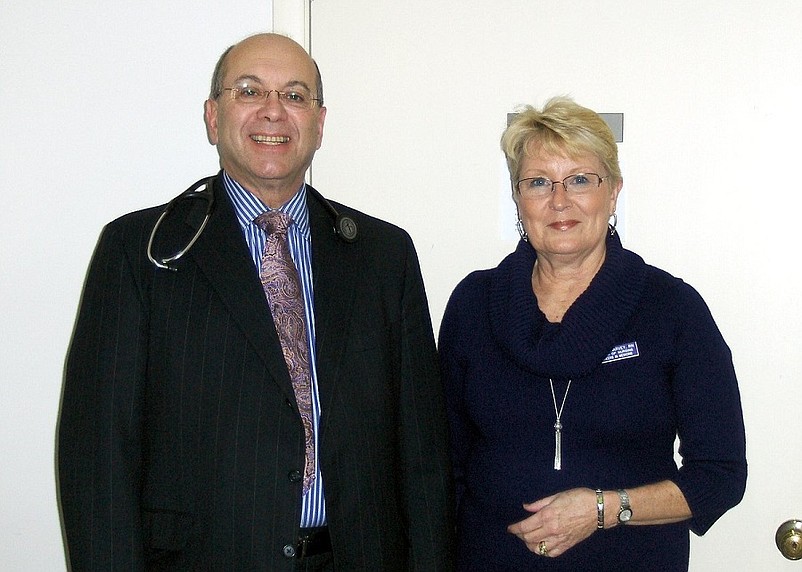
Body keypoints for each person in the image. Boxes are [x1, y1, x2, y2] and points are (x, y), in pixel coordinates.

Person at [57, 32, 454, 571]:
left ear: (319, 122)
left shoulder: (384, 256)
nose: (273, 112)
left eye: (294, 96)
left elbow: (424, 455)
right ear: (213, 117)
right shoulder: (141, 252)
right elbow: (97, 458)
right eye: (249, 92)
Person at [437, 96, 747, 571]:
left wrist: (604, 509)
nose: (560, 200)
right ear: (518, 197)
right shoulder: (474, 305)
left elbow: (720, 475)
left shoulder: (671, 309)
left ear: (614, 190)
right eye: (539, 182)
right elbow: (443, 468)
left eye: (581, 179)